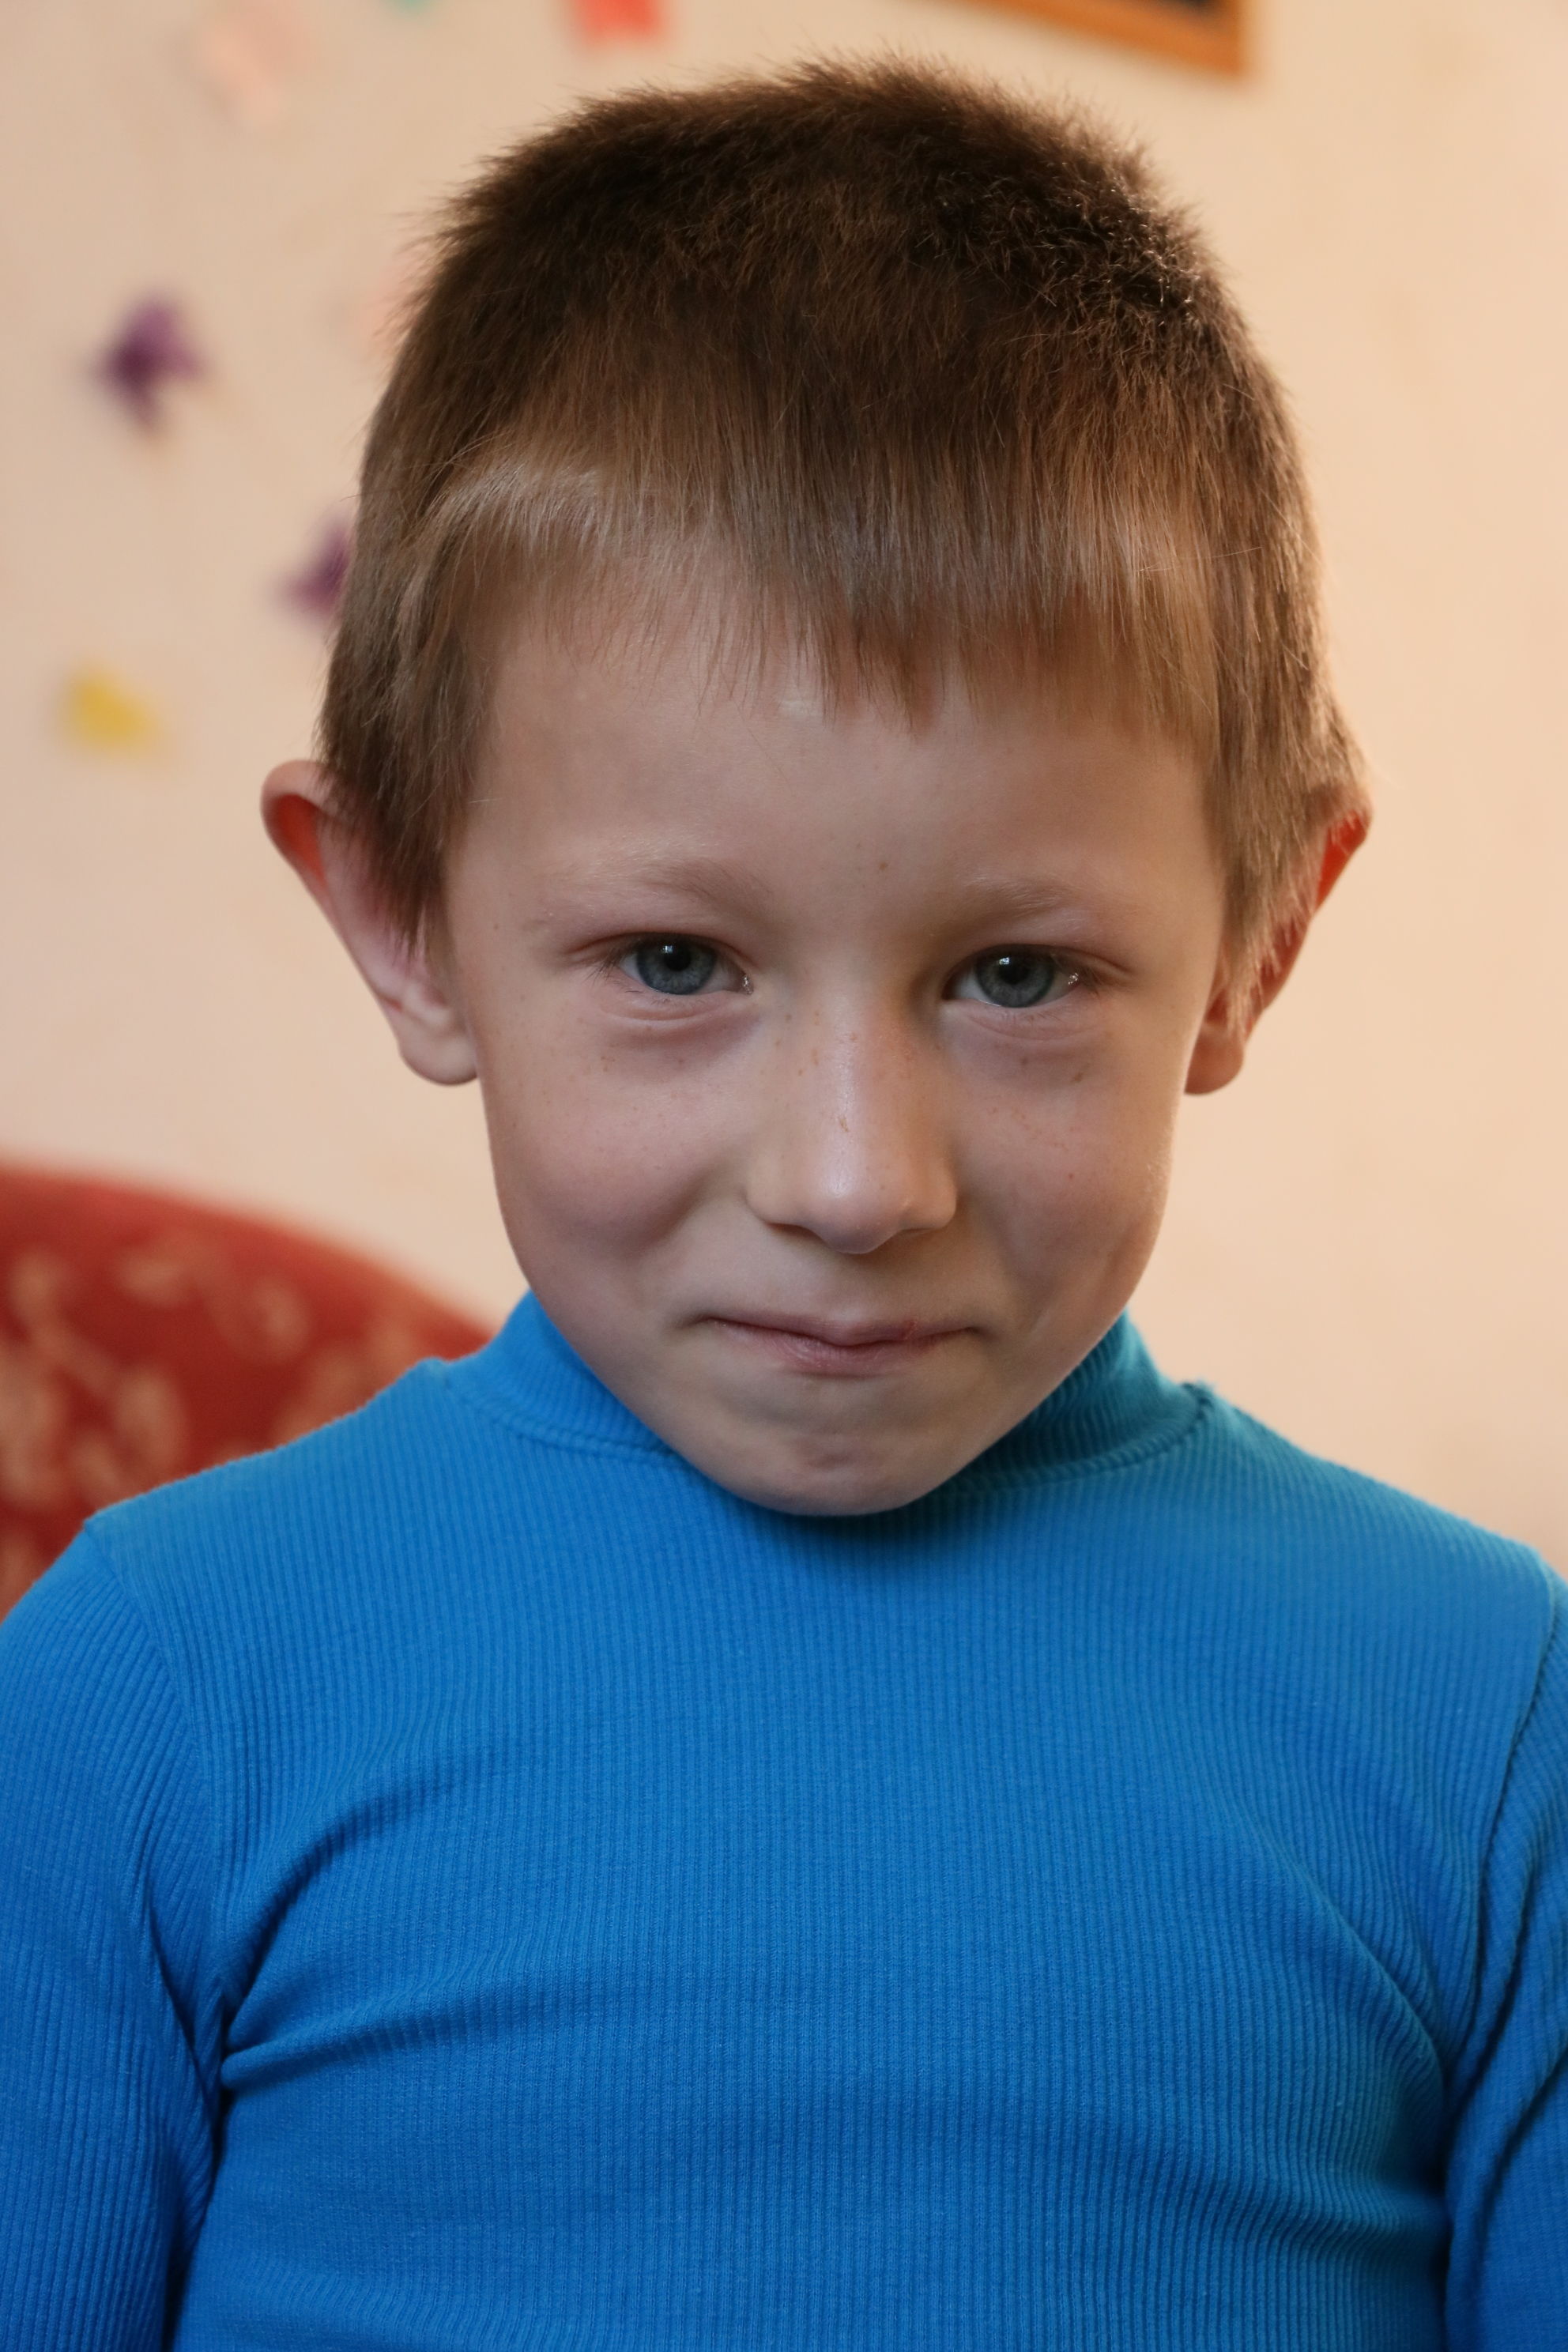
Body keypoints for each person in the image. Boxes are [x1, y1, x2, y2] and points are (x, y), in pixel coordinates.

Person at [1, 59, 1562, 2351]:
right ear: (405, 922)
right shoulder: (143, 1694)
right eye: (674, 965)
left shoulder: (1494, 1725)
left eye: (1017, 977)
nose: (853, 1180)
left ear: (1258, 941)